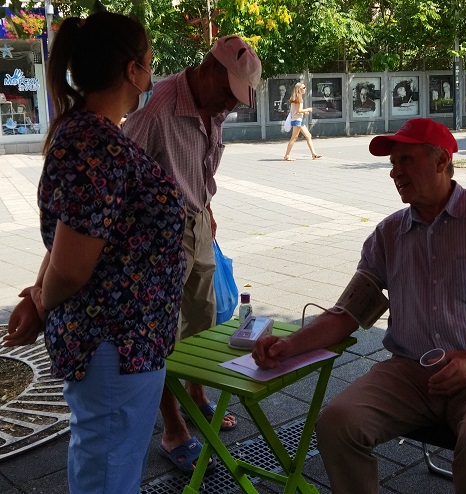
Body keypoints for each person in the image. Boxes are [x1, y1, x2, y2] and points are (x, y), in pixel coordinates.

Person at [252, 118, 466, 494]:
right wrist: (288, 345)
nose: (395, 172)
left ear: (442, 161)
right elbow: (349, 313)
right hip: (410, 372)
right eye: (393, 164)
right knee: (336, 423)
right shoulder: (388, 234)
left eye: (406, 160)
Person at [2, 12, 186, 494]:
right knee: (108, 477)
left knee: (110, 468)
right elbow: (71, 264)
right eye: (149, 63)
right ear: (132, 71)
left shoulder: (91, 134)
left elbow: (71, 239)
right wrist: (42, 299)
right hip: (114, 345)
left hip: (122, 342)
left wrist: (40, 293)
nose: (152, 72)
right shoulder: (95, 144)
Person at [123, 34, 262, 473]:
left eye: (237, 101)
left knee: (202, 318)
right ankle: (171, 428)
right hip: (158, 237)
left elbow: (201, 163)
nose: (229, 106)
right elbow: (119, 176)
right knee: (161, 333)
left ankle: (196, 394)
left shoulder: (214, 106)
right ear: (207, 70)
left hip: (198, 221)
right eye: (228, 93)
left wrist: (207, 208)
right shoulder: (157, 108)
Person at [283, 81, 321, 160]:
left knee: (308, 136)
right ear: (299, 89)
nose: (305, 89)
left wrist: (304, 111)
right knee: (294, 138)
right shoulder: (298, 98)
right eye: (303, 88)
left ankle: (313, 154)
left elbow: (297, 110)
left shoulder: (296, 98)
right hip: (297, 120)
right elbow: (298, 110)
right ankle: (286, 156)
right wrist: (308, 109)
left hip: (297, 120)